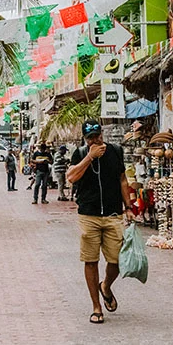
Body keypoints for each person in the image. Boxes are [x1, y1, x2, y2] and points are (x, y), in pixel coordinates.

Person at [67, 121, 133, 324]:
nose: (95, 140)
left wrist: (129, 207)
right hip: (89, 214)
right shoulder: (80, 154)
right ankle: (96, 307)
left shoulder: (115, 151)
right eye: (90, 138)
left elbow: (122, 179)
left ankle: (105, 286)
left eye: (97, 136)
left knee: (117, 260)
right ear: (85, 139)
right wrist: (89, 157)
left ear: (102, 134)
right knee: (91, 260)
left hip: (113, 214)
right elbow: (71, 177)